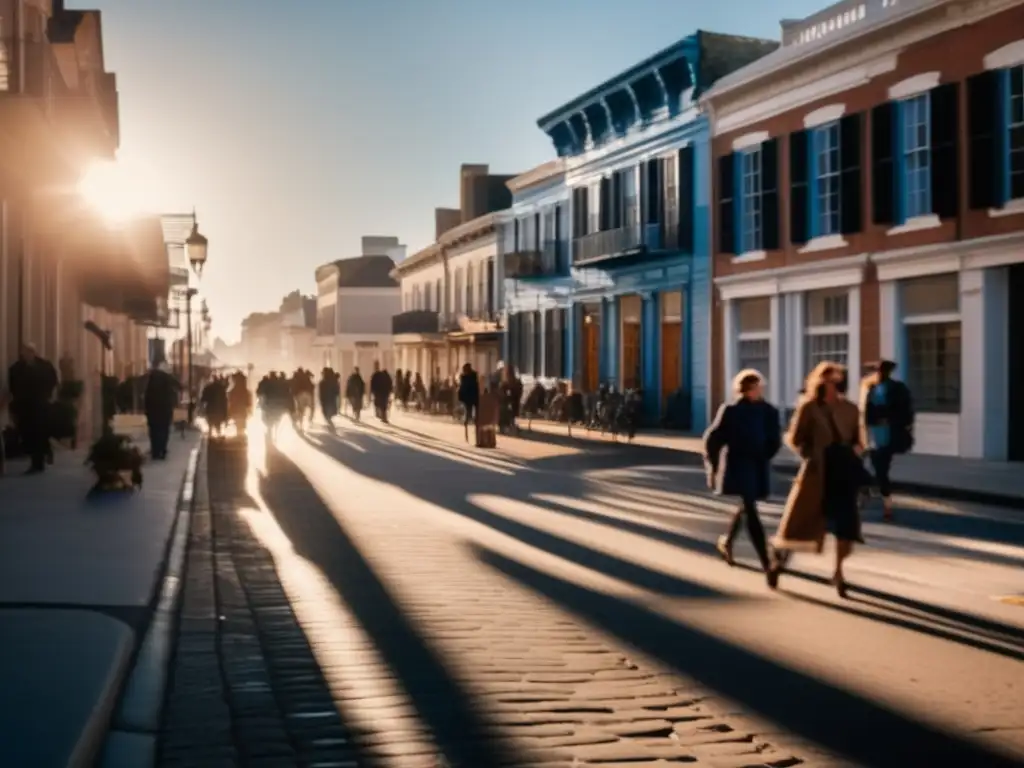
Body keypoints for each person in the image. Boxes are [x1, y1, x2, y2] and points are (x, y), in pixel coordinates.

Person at [771, 362, 864, 597]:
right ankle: (778, 561)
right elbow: (794, 438)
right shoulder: (809, 407)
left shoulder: (851, 409)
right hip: (817, 473)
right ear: (820, 382)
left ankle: (838, 573)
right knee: (798, 524)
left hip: (843, 473)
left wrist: (856, 450)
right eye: (829, 381)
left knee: (846, 527)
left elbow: (859, 439)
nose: (834, 386)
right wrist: (809, 456)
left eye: (837, 381)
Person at [703, 369, 782, 585]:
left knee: (747, 506)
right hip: (739, 465)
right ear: (745, 390)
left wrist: (765, 454)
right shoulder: (731, 411)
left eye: (760, 387)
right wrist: (713, 465)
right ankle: (767, 564)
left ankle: (727, 542)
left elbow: (775, 439)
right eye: (755, 387)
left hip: (758, 465)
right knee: (750, 508)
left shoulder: (769, 411)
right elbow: (713, 439)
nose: (759, 390)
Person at [860, 359, 914, 522]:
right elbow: (864, 412)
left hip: (889, 435)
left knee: (881, 470)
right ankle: (867, 491)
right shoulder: (869, 388)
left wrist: (892, 420)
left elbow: (906, 411)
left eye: (883, 371)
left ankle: (886, 504)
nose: (880, 374)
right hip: (871, 434)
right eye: (878, 371)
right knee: (867, 467)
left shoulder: (898, 388)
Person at [7, 343, 58, 474]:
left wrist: (47, 396)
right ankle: (40, 456)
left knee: (39, 433)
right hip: (24, 407)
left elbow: (53, 381)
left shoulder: (45, 366)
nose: (27, 354)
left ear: (34, 352)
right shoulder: (16, 368)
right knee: (28, 434)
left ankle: (38, 462)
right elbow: (12, 385)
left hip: (40, 405)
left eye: (30, 351)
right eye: (25, 352)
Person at [145, 358, 180, 460]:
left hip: (153, 411)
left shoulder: (151, 379)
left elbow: (147, 397)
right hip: (165, 410)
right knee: (164, 430)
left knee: (154, 431)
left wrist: (146, 410)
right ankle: (162, 450)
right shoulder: (167, 379)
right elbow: (177, 389)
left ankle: (155, 451)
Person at [457, 362, 480, 442]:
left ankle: (467, 433)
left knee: (468, 414)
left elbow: (462, 388)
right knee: (476, 415)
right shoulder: (474, 375)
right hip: (475, 397)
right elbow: (477, 386)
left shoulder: (464, 377)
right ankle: (476, 432)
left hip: (468, 398)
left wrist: (461, 397)